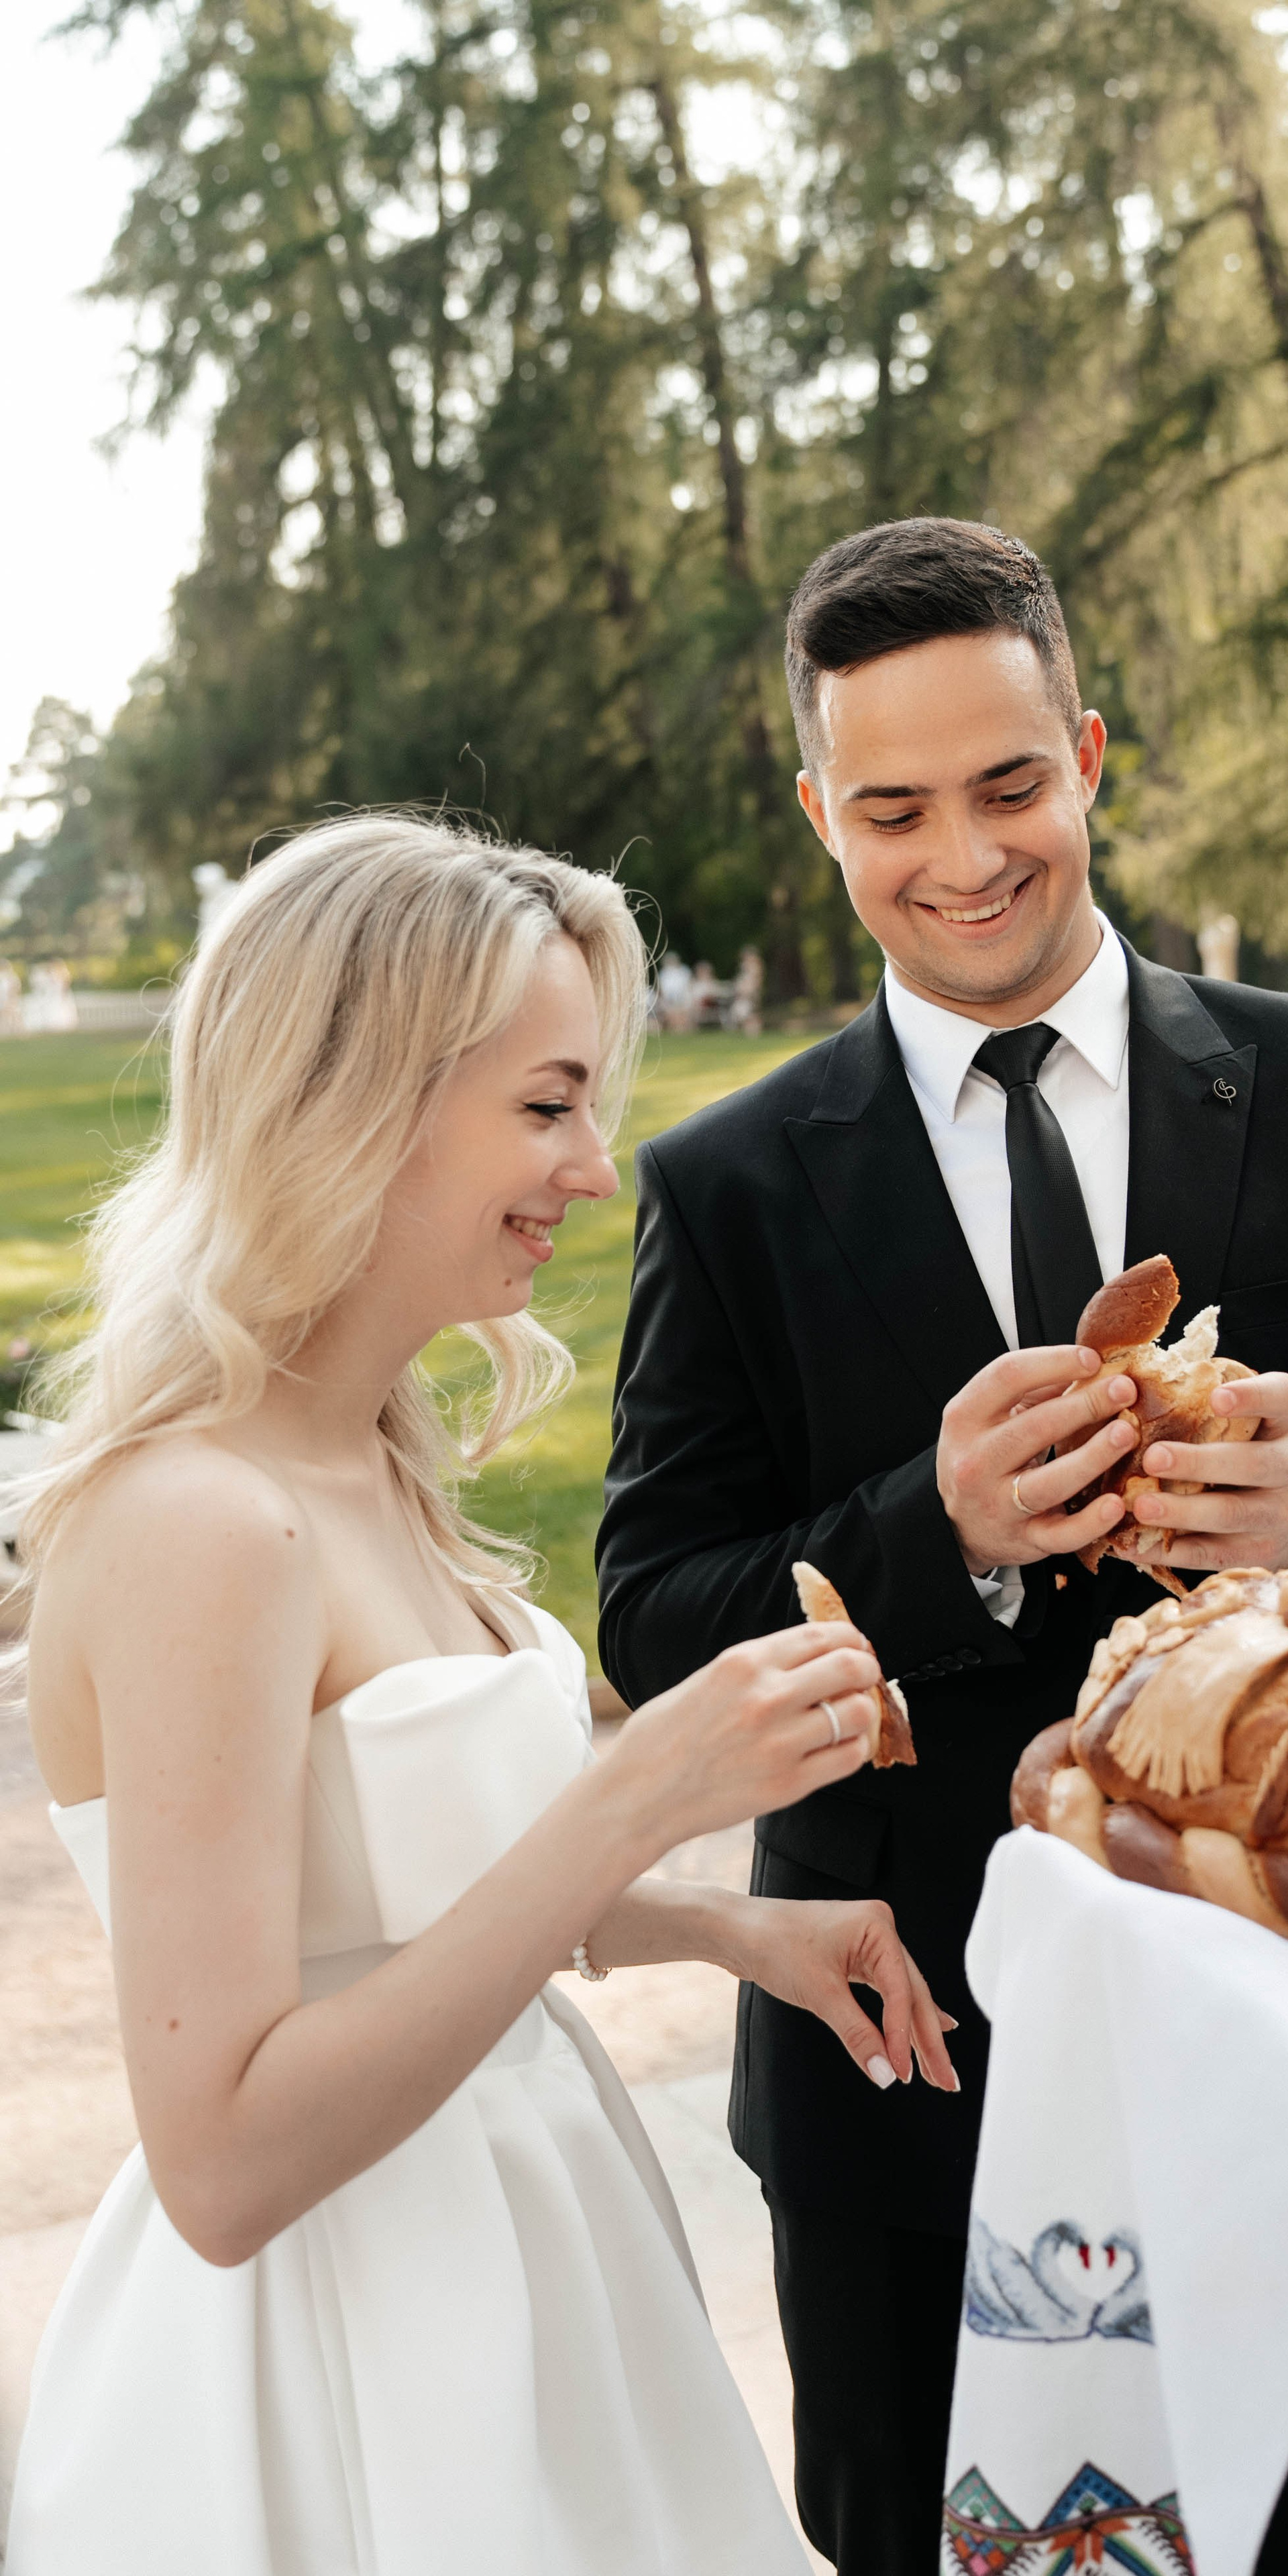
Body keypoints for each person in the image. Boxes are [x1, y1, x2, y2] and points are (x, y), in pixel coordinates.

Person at [596, 517, 1288, 2574]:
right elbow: (658, 1609)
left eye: (1010, 783)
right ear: (818, 818)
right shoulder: (732, 1184)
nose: (963, 855)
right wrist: (925, 1537)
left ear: (1094, 755)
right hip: (909, 2072)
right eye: (894, 808)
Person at [6, 814, 956, 2576]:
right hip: (349, 2353)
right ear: (347, 1102)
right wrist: (637, 1789)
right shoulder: (200, 1523)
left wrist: (721, 1926)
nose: (596, 1169)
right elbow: (217, 2160)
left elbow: (390, 1912)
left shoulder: (368, 1449)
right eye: (545, 1104)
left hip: (535, 2261)